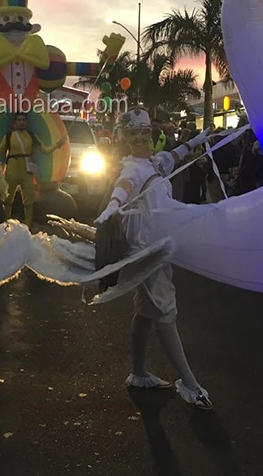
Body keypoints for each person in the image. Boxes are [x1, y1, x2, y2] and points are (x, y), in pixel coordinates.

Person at [95, 106, 212, 409]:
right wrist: (113, 204)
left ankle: (138, 373)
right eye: (135, 135)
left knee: (146, 312)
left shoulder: (154, 162)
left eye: (145, 133)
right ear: (126, 138)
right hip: (144, 250)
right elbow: (124, 186)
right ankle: (189, 383)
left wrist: (199, 138)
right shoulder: (133, 168)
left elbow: (174, 155)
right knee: (164, 311)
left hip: (157, 245)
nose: (141, 139)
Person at [0, 113, 65, 226]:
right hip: (11, 171)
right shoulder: (9, 136)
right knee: (7, 200)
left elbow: (45, 150)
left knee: (29, 201)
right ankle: (5, 224)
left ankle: (28, 226)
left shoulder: (32, 136)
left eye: (23, 120)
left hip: (27, 172)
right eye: (19, 120)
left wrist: (58, 145)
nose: (21, 122)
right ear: (14, 122)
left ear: (27, 122)